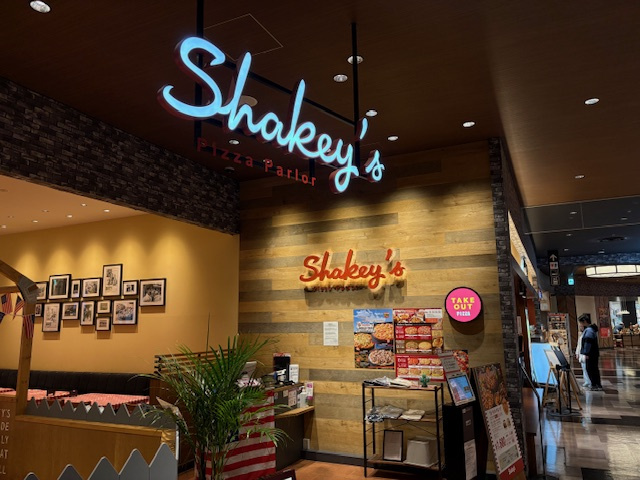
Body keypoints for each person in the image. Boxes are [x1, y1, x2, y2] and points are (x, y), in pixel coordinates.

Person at [579, 316, 602, 391]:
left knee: (591, 369)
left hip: (591, 354)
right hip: (593, 353)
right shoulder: (591, 330)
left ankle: (594, 384)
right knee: (594, 369)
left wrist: (586, 353)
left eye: (581, 323)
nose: (580, 324)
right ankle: (597, 384)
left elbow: (588, 342)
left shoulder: (589, 331)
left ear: (585, 322)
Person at [575, 322, 591, 389]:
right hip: (581, 353)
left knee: (587, 368)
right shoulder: (582, 334)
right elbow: (579, 344)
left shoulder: (587, 334)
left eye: (581, 326)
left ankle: (590, 381)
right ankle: (586, 381)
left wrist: (587, 353)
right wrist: (577, 353)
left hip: (585, 353)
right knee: (584, 368)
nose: (580, 328)